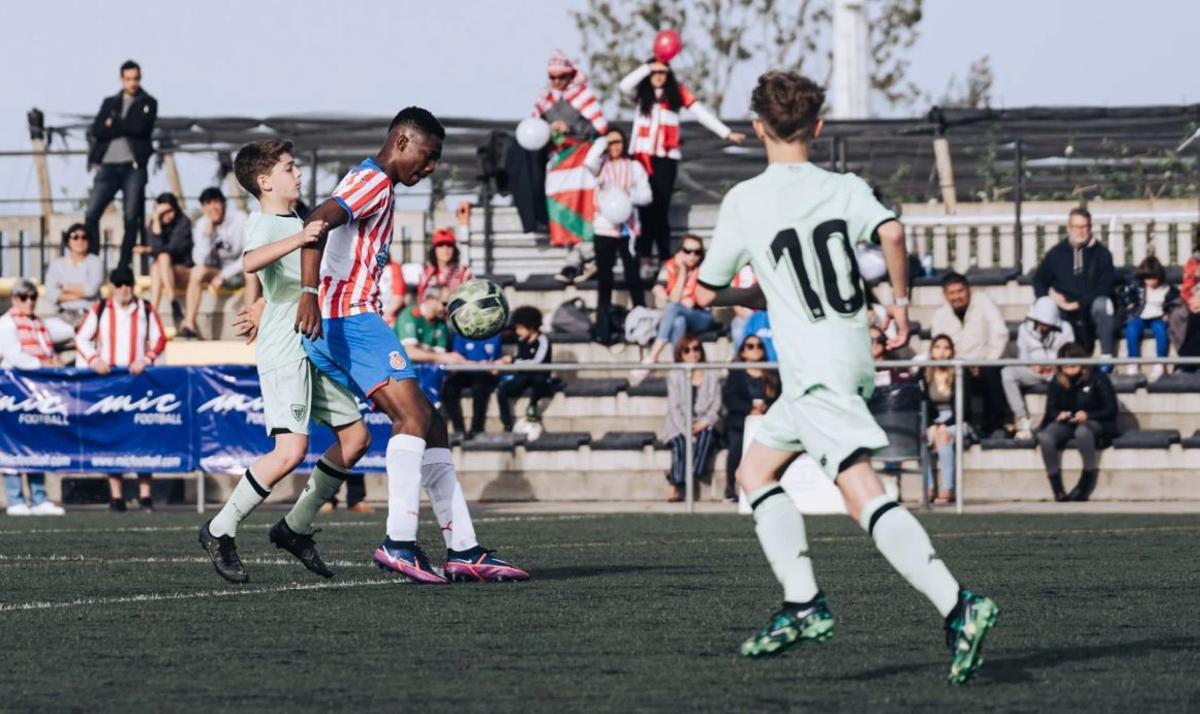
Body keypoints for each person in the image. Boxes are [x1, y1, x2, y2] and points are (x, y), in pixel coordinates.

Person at [693, 70, 996, 682]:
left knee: (860, 493)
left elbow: (705, 292)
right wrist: (904, 306)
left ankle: (956, 603)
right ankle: (802, 600)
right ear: (818, 127)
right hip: (846, 356)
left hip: (813, 370)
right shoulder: (845, 186)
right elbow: (891, 230)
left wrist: (748, 294)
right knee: (754, 471)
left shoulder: (745, 201)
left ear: (757, 128)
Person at [293, 107, 526, 583]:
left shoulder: (378, 184)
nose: (431, 167)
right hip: (349, 315)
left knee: (431, 423)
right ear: (401, 141)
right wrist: (309, 294)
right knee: (414, 418)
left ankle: (464, 549)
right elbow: (317, 220)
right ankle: (398, 541)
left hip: (354, 314)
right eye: (428, 155)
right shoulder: (374, 180)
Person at [199, 139, 373, 584]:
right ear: (264, 181)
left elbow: (288, 279)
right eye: (289, 167)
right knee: (290, 451)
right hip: (285, 349)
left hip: (314, 344)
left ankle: (294, 528)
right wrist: (298, 239)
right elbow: (251, 261)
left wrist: (262, 303)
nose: (297, 174)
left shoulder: (296, 218)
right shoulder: (266, 222)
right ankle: (220, 529)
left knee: (355, 439)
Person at [619, 58, 745, 271]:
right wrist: (647, 67)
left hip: (665, 158)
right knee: (644, 207)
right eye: (654, 73)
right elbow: (624, 85)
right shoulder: (641, 96)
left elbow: (701, 113)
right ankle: (644, 255)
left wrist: (727, 133)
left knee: (661, 206)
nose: (658, 76)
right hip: (641, 157)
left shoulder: (676, 94)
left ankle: (663, 255)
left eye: (663, 73)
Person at [74, 266, 167, 511]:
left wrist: (145, 360)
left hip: (138, 382)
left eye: (128, 284)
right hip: (110, 381)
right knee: (111, 437)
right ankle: (117, 496)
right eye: (119, 284)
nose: (124, 289)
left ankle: (145, 494)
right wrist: (95, 360)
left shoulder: (145, 308)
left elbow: (159, 338)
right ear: (112, 287)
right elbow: (81, 337)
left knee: (142, 435)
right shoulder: (101, 309)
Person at [0, 279, 66, 516]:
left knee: (35, 444)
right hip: (13, 393)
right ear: (14, 299)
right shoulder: (6, 323)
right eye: (23, 297)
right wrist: (45, 363)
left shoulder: (39, 324)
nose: (29, 302)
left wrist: (54, 360)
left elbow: (65, 332)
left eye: (32, 297)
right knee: (13, 446)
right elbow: (16, 357)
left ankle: (39, 498)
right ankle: (16, 498)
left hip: (36, 393)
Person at [84, 59, 157, 269]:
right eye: (128, 79)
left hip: (132, 167)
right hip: (107, 166)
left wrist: (114, 123)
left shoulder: (148, 102)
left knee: (131, 217)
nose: (132, 83)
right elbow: (97, 130)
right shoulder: (110, 102)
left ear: (140, 78)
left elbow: (141, 129)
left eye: (135, 78)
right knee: (91, 214)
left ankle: (124, 265)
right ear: (121, 79)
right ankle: (94, 261)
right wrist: (125, 126)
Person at [582, 127, 651, 342]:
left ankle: (642, 320)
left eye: (618, 142)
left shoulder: (634, 166)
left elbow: (647, 195)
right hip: (604, 228)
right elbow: (588, 160)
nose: (615, 146)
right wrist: (603, 140)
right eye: (611, 143)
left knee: (633, 277)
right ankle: (603, 325)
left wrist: (628, 195)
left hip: (628, 230)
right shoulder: (600, 166)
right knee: (605, 278)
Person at [929, 271, 1010, 437]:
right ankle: (964, 423)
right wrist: (962, 363)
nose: (956, 296)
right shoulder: (939, 316)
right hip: (958, 365)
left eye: (960, 291)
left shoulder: (984, 302)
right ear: (945, 295)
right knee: (960, 372)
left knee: (990, 371)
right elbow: (940, 346)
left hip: (987, 361)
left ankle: (995, 426)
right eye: (952, 293)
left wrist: (986, 361)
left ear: (968, 290)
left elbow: (999, 333)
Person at [1032, 207, 1116, 365]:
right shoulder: (1056, 253)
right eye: (1077, 227)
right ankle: (1044, 359)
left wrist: (1077, 304)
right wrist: (1050, 296)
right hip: (1062, 308)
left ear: (1090, 227)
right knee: (1042, 305)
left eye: (1084, 227)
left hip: (1089, 308)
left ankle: (1107, 357)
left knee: (1104, 304)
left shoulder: (1102, 254)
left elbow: (1104, 287)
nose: (1081, 231)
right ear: (1069, 228)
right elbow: (1039, 280)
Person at [1037, 342, 1118, 503]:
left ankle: (1086, 478)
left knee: (1083, 432)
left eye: (1074, 365)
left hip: (1096, 421)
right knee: (1046, 437)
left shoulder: (1097, 377)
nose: (1070, 370)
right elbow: (1050, 409)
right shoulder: (1057, 381)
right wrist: (1059, 414)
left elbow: (1110, 408)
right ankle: (1057, 487)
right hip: (1068, 422)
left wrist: (1088, 415)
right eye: (1066, 366)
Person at [632, 234, 715, 382]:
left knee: (672, 308)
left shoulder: (706, 269)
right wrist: (682, 271)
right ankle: (680, 370)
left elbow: (673, 300)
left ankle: (652, 357)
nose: (692, 256)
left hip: (702, 317)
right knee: (679, 321)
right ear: (680, 251)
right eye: (688, 251)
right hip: (680, 316)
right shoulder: (669, 266)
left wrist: (674, 292)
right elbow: (668, 296)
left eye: (697, 252)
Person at [1002, 296, 1076, 440]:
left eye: (1047, 323)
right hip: (1035, 371)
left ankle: (1062, 419)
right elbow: (1022, 356)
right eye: (1041, 322)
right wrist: (1031, 365)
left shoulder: (1066, 329)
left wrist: (1057, 367)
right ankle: (1022, 417)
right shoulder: (1024, 329)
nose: (1044, 326)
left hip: (1059, 371)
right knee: (1007, 372)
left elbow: (1069, 354)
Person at [178, 187, 248, 339]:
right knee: (197, 272)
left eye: (216, 202)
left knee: (252, 272)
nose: (213, 207)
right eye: (207, 203)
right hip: (217, 273)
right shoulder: (202, 224)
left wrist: (224, 275)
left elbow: (249, 255)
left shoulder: (240, 219)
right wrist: (207, 235)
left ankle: (248, 322)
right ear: (203, 208)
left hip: (240, 271)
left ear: (224, 204)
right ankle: (189, 324)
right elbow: (200, 261)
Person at [662, 335, 720, 502]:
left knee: (705, 438)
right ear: (680, 354)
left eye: (696, 349)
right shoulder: (675, 375)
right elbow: (674, 408)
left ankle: (680, 477)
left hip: (705, 421)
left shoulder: (711, 374)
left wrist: (703, 423)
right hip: (678, 424)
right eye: (687, 350)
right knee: (680, 444)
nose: (692, 353)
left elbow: (716, 405)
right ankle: (678, 482)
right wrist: (687, 429)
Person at [721, 335, 779, 502]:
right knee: (736, 447)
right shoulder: (736, 373)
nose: (755, 349)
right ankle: (731, 488)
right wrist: (749, 410)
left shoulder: (772, 372)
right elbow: (730, 398)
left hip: (767, 420)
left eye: (759, 346)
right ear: (743, 352)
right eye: (750, 346)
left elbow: (780, 397)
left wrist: (765, 408)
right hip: (740, 421)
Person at [920, 335, 964, 505]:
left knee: (944, 437)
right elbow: (922, 403)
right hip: (934, 420)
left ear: (951, 352)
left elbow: (963, 407)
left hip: (957, 420)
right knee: (924, 437)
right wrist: (932, 425)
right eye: (938, 347)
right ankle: (929, 488)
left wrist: (943, 425)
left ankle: (948, 489)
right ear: (931, 351)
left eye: (946, 348)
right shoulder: (924, 373)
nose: (942, 352)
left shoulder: (960, 372)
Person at [497, 305, 553, 433]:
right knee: (503, 391)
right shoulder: (522, 340)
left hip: (539, 375)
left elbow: (537, 361)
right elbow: (522, 358)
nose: (517, 331)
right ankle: (507, 425)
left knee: (539, 381)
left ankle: (532, 407)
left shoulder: (543, 340)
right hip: (524, 375)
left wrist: (513, 361)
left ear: (532, 327)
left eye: (520, 328)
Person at [1120, 255, 1178, 378]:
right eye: (1147, 279)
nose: (1150, 282)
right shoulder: (1138, 286)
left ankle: (1160, 362)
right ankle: (1133, 361)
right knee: (1132, 329)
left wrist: (1168, 313)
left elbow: (1175, 302)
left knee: (1160, 330)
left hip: (1158, 316)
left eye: (1153, 279)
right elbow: (1124, 292)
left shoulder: (1167, 289)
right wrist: (1128, 302)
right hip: (1140, 315)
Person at [140, 192, 193, 326]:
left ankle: (153, 312)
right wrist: (157, 220)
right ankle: (166, 305)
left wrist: (149, 250)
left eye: (170, 211)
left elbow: (173, 249)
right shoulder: (154, 223)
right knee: (157, 266)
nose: (168, 215)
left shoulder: (183, 222)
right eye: (163, 212)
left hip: (183, 270)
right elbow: (156, 249)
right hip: (163, 271)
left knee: (162, 258)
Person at [442, 332, 501, 439]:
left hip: (484, 373)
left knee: (479, 389)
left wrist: (493, 365)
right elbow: (458, 358)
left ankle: (476, 428)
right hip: (465, 371)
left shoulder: (494, 336)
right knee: (449, 388)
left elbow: (496, 358)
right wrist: (474, 364)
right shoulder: (461, 336)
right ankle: (459, 429)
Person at [43, 223, 104, 326]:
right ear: (68, 241)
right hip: (63, 315)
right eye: (74, 237)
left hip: (89, 314)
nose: (79, 241)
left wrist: (63, 286)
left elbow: (90, 290)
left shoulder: (96, 262)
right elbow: (51, 293)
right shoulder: (57, 264)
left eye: (84, 237)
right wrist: (82, 294)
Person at [417, 209, 472, 303]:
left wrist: (453, 295)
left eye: (449, 245)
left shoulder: (464, 273)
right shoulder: (426, 273)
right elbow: (421, 301)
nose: (445, 249)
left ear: (454, 249)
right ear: (434, 250)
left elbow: (472, 298)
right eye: (440, 245)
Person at [1179, 235, 1200, 371]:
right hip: (1195, 303)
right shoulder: (1193, 261)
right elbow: (1186, 287)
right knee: (1193, 320)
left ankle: (1186, 365)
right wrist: (1191, 302)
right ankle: (1188, 365)